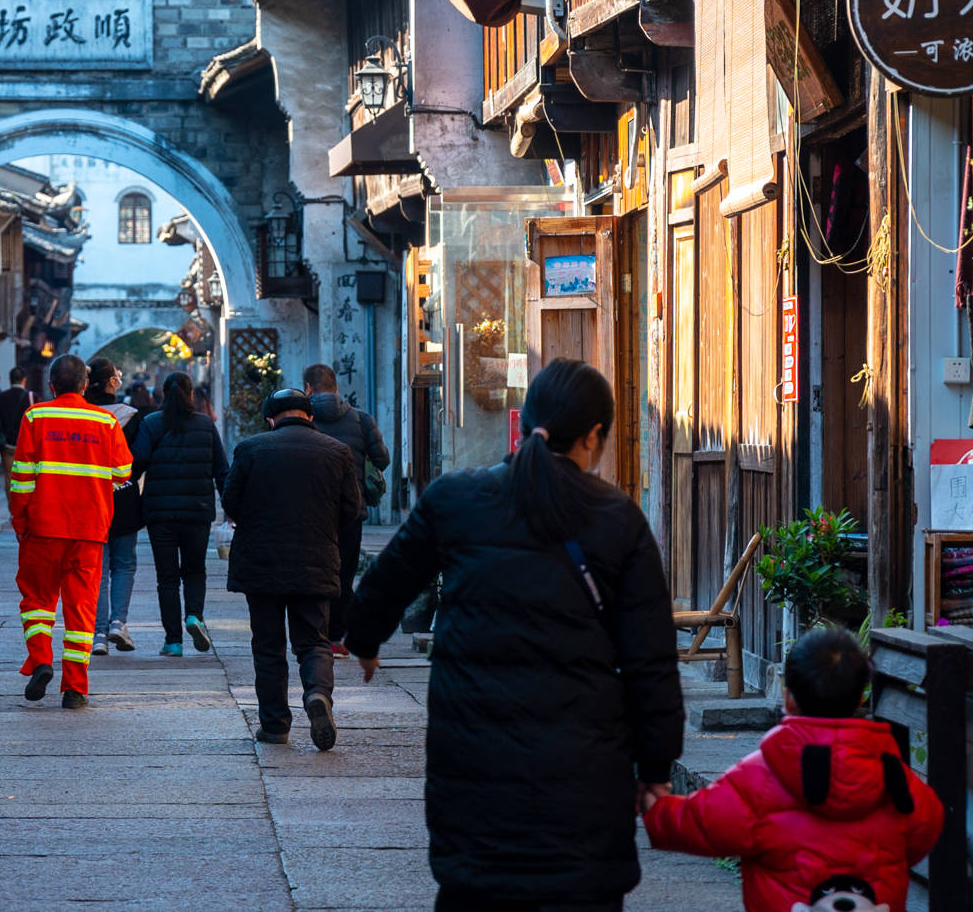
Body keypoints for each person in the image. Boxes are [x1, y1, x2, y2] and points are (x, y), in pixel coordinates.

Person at [351, 358, 682, 912]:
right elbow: (651, 662)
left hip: (473, 766)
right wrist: (654, 768)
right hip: (585, 779)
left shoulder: (456, 499)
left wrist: (364, 639)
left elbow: (385, 583)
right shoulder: (618, 520)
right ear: (594, 436)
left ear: (523, 423)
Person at [642, 627, 943, 912]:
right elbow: (924, 829)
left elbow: (699, 821)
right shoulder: (895, 778)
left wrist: (654, 805)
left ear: (788, 699)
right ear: (861, 698)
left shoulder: (759, 778)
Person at [223, 385, 363, 749]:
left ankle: (274, 725)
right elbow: (352, 512)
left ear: (271, 418)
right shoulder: (338, 452)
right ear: (310, 416)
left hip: (262, 564)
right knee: (314, 641)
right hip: (315, 562)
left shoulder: (251, 449)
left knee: (268, 645)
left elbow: (231, 502)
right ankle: (317, 694)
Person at [5, 352, 132, 708]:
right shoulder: (105, 421)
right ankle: (75, 689)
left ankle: (41, 660)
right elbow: (123, 472)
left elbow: (21, 480)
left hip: (43, 528)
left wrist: (20, 523)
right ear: (86, 385)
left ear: (50, 385)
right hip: (89, 530)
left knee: (37, 602)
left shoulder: (36, 416)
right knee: (81, 612)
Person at [134, 370, 228, 657]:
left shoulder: (151, 424)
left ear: (163, 393)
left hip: (160, 513)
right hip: (197, 512)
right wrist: (232, 509)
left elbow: (134, 465)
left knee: (167, 578)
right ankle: (194, 617)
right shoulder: (205, 425)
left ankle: (173, 641)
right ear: (190, 395)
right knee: (195, 570)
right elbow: (222, 471)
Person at [303, 362, 391, 653]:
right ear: (336, 387)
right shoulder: (361, 419)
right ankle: (337, 638)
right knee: (345, 571)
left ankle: (317, 632)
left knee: (314, 570)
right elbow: (382, 460)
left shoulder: (302, 419)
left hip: (312, 510)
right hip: (352, 509)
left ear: (308, 389)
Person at [85, 358, 145, 652]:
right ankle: (118, 623)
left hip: (90, 496)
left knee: (99, 566)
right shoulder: (131, 416)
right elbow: (138, 460)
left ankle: (97, 634)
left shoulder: (81, 416)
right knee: (124, 564)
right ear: (112, 382)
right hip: (123, 495)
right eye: (117, 375)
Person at [0, 366, 34, 487]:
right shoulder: (32, 398)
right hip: (28, 446)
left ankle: (12, 505)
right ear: (24, 379)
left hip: (7, 446)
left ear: (10, 380)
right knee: (29, 478)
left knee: (10, 479)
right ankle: (26, 505)